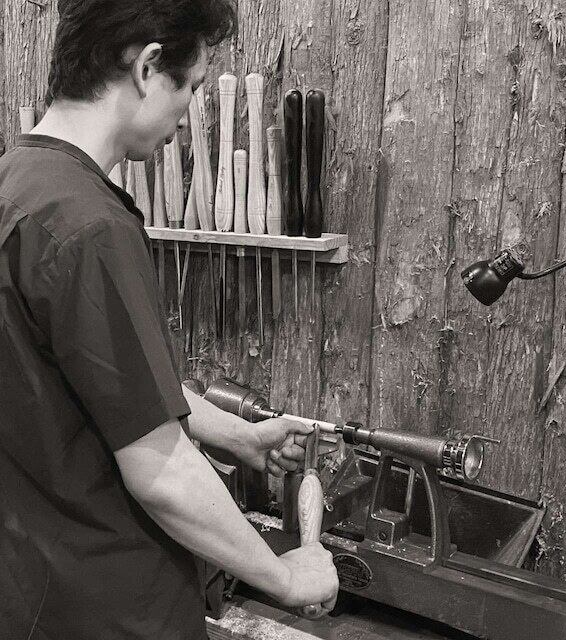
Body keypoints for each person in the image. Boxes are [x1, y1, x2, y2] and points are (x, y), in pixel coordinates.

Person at [0, 1, 339, 639]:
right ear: (148, 66)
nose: (186, 115)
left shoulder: (16, 182)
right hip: (108, 605)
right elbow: (160, 470)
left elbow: (108, 384)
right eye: (192, 86)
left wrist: (237, 435)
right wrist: (285, 576)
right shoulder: (88, 226)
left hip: (33, 588)